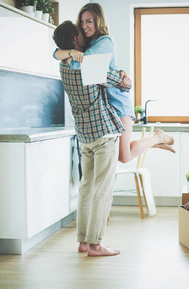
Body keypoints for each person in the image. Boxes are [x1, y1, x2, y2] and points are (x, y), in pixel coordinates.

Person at [53, 3, 175, 164]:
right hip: (105, 106)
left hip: (117, 101)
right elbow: (55, 53)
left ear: (98, 21)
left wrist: (70, 55)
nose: (84, 26)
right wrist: (70, 52)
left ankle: (157, 137)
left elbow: (81, 65)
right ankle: (156, 141)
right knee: (120, 152)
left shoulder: (105, 41)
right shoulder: (88, 44)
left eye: (89, 21)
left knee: (123, 156)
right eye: (81, 22)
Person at [53, 20, 131, 257]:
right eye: (80, 31)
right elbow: (120, 82)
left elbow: (58, 54)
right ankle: (96, 245)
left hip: (84, 136)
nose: (84, 32)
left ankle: (82, 241)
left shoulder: (64, 66)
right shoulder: (87, 66)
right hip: (104, 133)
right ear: (76, 40)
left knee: (86, 188)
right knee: (102, 190)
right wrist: (124, 77)